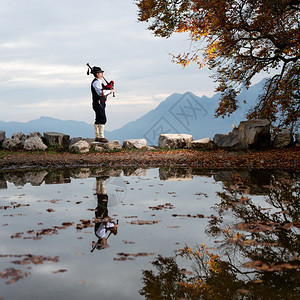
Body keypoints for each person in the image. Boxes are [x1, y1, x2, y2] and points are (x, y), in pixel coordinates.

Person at [90, 66, 115, 143]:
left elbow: (103, 91)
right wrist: (110, 91)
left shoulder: (99, 82)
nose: (102, 73)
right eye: (101, 72)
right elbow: (100, 93)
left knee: (98, 118)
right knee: (102, 118)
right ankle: (101, 137)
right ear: (97, 74)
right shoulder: (96, 82)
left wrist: (108, 89)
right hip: (99, 102)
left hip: (99, 102)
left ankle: (97, 136)